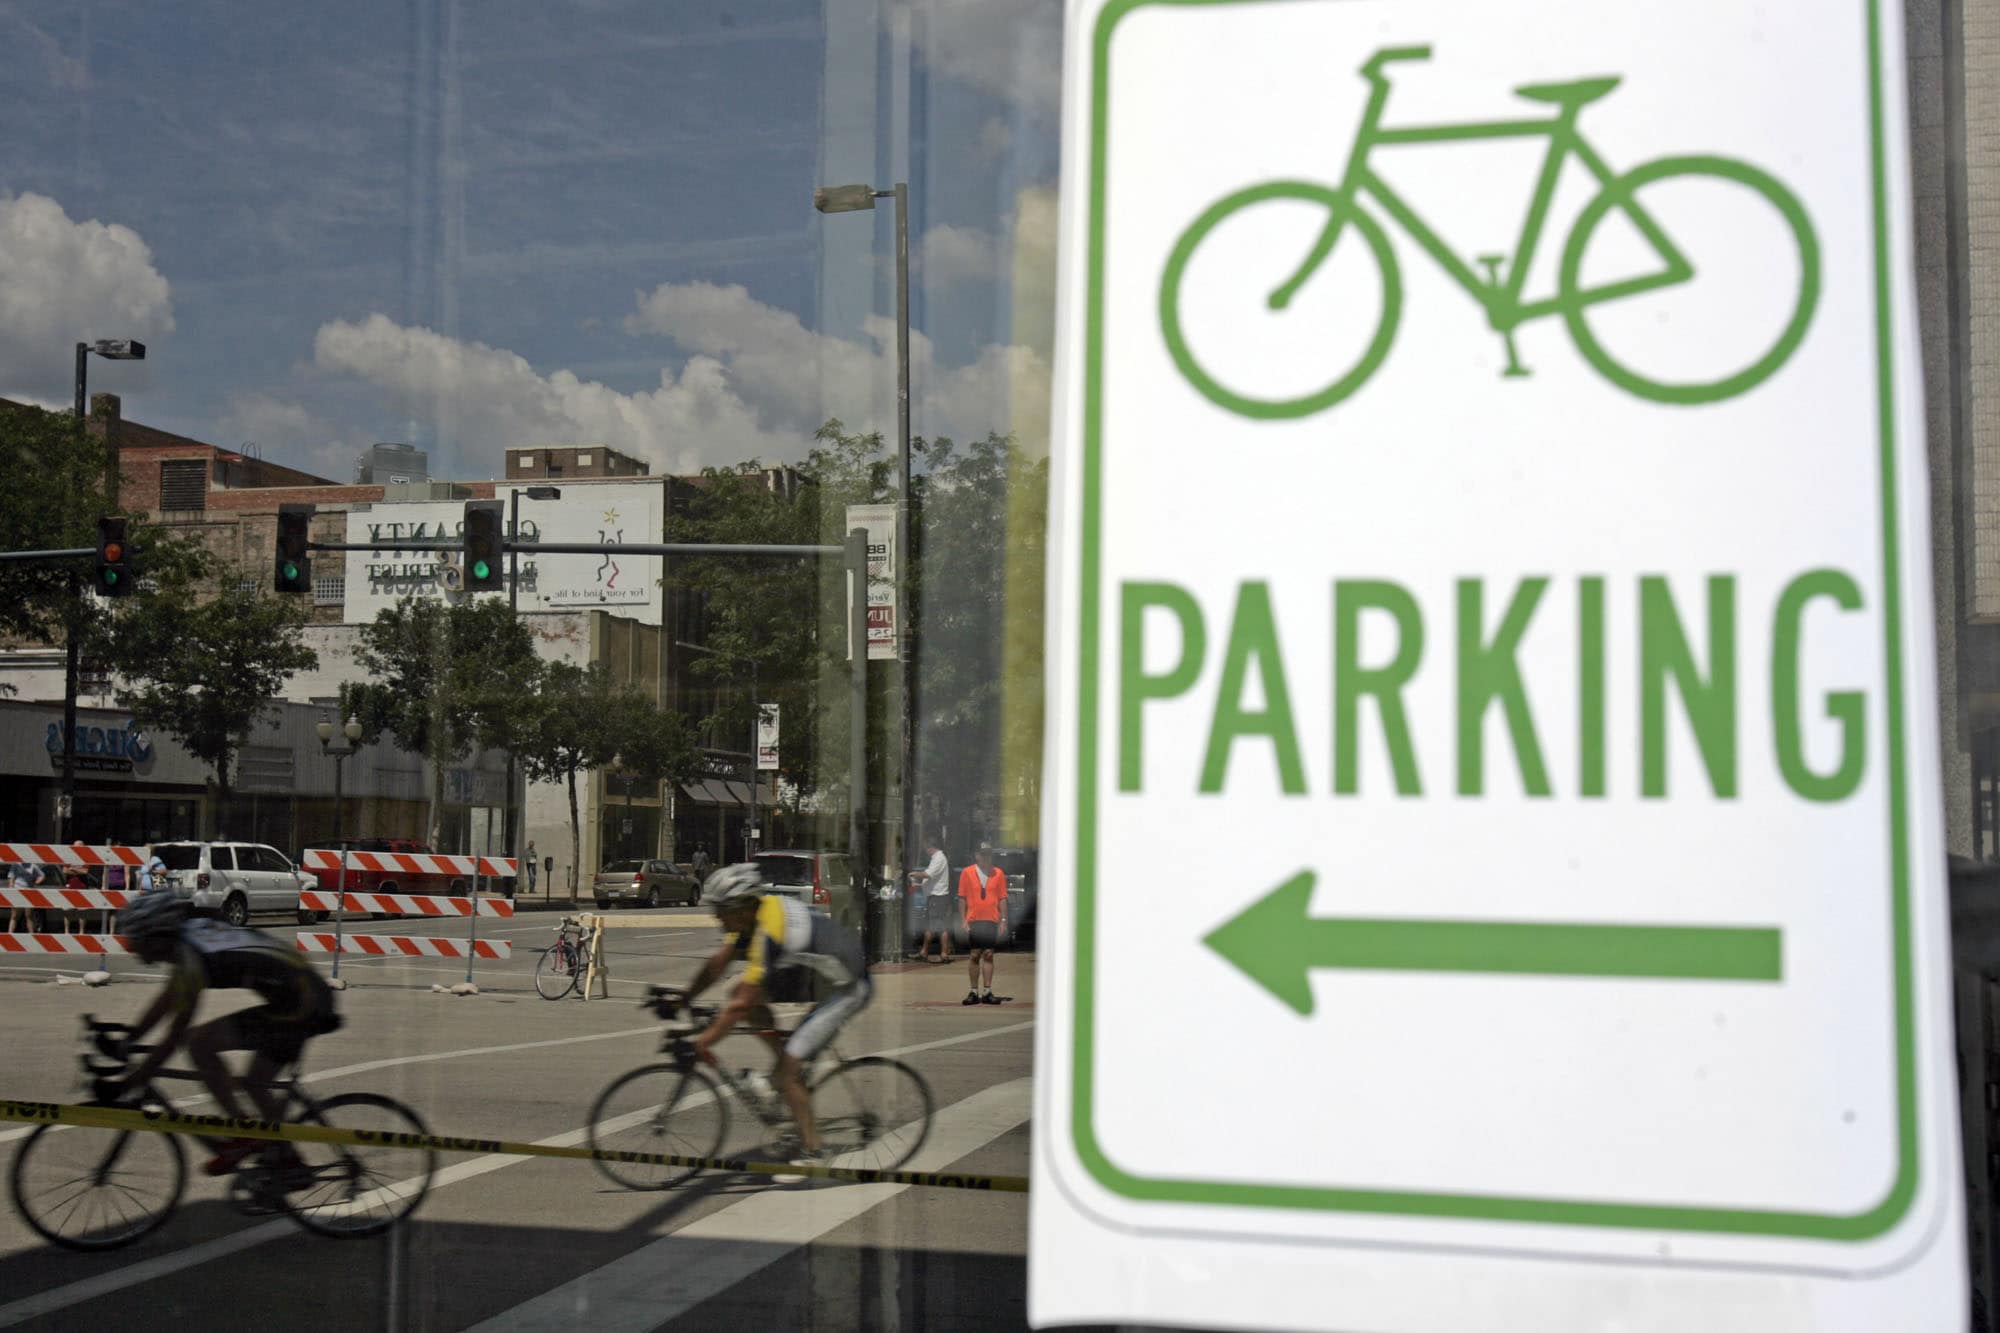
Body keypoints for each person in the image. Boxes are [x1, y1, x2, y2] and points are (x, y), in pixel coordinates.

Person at [108, 891, 341, 1176]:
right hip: (295, 993)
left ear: (157, 935)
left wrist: (134, 1079)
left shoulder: (191, 956)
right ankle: (277, 1153)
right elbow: (168, 998)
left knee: (203, 1046)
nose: (134, 950)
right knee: (243, 1073)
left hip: (303, 1001)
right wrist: (130, 1037)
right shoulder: (188, 940)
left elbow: (174, 1034)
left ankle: (251, 1137)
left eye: (137, 941)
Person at [679, 863, 870, 1176]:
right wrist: (684, 997)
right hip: (817, 974)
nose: (717, 919)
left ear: (741, 908)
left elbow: (739, 1007)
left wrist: (703, 1041)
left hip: (847, 987)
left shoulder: (770, 932)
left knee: (790, 1068)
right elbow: (717, 964)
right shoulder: (752, 917)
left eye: (721, 912)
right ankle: (779, 1077)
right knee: (742, 994)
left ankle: (815, 1150)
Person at [957, 843, 1008, 1005]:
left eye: (988, 854)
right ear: (976, 855)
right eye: (983, 854)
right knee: (975, 954)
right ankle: (973, 991)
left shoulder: (998, 873)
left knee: (988, 954)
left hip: (991, 919)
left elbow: (1002, 898)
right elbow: (961, 898)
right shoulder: (967, 872)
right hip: (974, 919)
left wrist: (1003, 920)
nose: (986, 857)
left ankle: (987, 991)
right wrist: (963, 920)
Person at [914, 839, 953, 964]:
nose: (926, 851)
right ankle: (924, 952)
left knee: (939, 926)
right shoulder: (936, 858)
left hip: (938, 897)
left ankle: (944, 953)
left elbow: (928, 874)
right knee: (931, 925)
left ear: (931, 847)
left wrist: (913, 874)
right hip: (935, 896)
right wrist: (920, 885)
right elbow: (934, 879)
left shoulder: (939, 858)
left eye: (926, 848)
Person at [6, 859, 43, 934]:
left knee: (29, 915)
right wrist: (11, 891)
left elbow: (42, 875)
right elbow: (11, 879)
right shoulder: (15, 865)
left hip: (29, 893)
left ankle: (32, 935)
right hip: (17, 892)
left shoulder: (33, 865)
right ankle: (10, 934)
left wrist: (37, 882)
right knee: (14, 915)